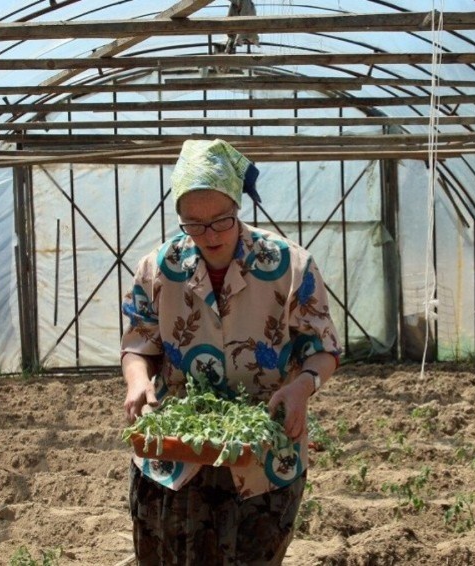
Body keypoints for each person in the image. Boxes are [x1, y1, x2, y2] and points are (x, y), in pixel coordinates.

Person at [120, 138, 340, 564]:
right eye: (194, 225)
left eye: (221, 220)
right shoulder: (157, 269)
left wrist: (302, 388)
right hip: (174, 455)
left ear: (238, 207)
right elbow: (138, 342)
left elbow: (322, 346)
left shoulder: (289, 265)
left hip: (263, 457)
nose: (209, 235)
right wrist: (137, 382)